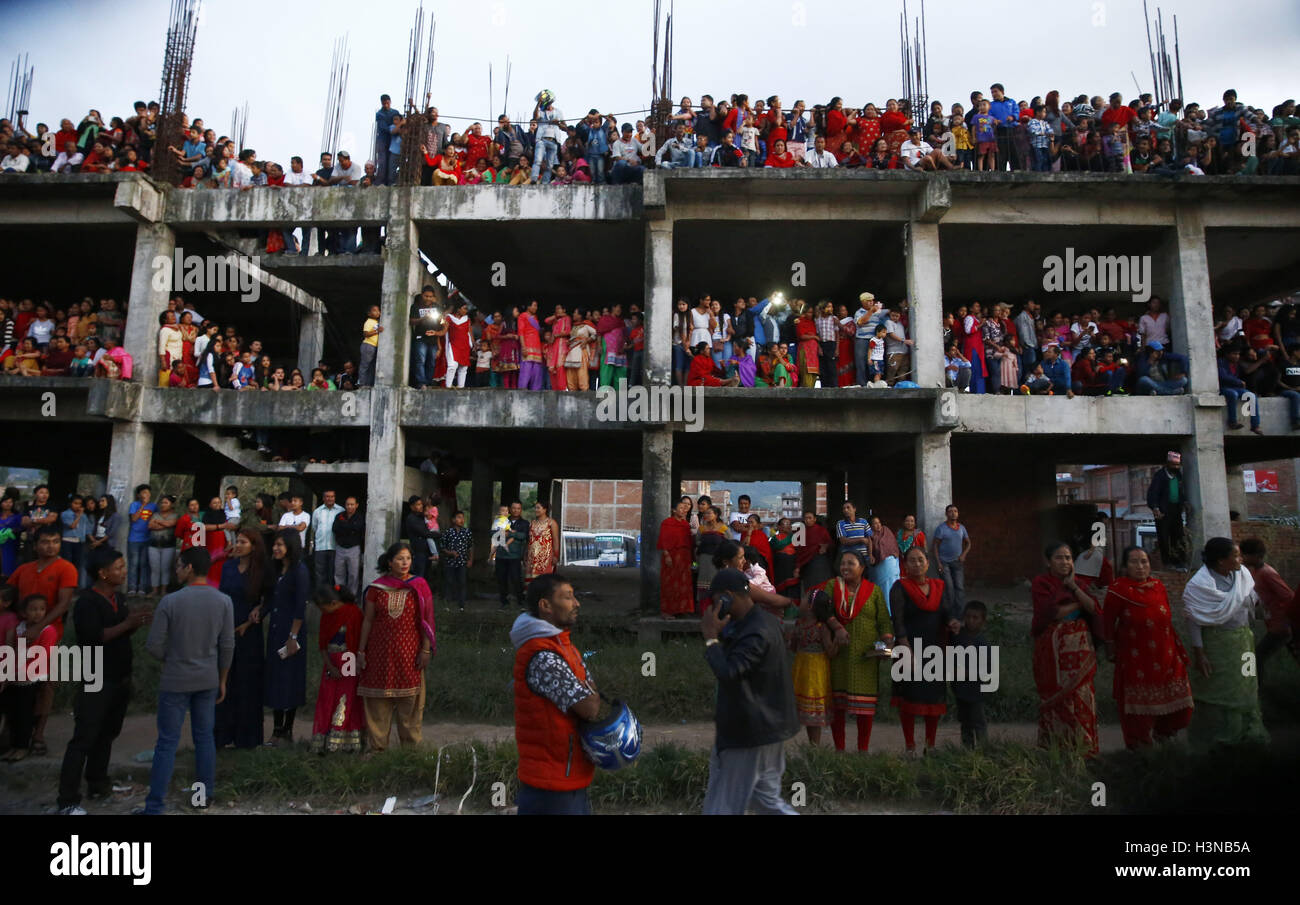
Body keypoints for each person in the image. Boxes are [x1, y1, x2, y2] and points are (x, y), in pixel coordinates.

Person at [139, 547, 234, 814]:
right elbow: (227, 646)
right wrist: (223, 679)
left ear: (189, 568)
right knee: (204, 739)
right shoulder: (223, 601)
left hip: (175, 680)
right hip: (207, 679)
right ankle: (202, 797)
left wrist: (174, 657)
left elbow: (154, 645)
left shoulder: (170, 602)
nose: (176, 569)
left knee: (167, 742)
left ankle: (155, 805)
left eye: (179, 565)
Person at [56, 548, 150, 813]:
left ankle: (98, 784)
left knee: (106, 735)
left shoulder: (118, 598)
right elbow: (92, 637)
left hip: (119, 677)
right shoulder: (87, 602)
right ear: (102, 573)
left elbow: (121, 631)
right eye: (118, 567)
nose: (124, 571)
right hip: (96, 676)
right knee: (83, 738)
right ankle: (67, 801)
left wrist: (135, 623)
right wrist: (127, 624)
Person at [700, 568, 801, 814]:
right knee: (766, 801)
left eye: (716, 601)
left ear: (726, 596)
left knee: (722, 805)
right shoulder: (760, 621)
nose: (714, 607)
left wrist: (711, 638)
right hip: (765, 728)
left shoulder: (755, 631)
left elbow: (730, 673)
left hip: (748, 732)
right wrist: (721, 635)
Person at [510, 573, 597, 814]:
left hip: (563, 774)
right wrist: (589, 690)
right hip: (551, 783)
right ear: (545, 606)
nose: (576, 603)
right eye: (568, 597)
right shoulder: (544, 655)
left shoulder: (559, 645)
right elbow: (589, 708)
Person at [1102, 545, 1194, 749]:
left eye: (1144, 561)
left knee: (1181, 705)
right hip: (1136, 658)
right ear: (1125, 566)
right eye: (1134, 562)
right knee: (1138, 708)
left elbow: (1166, 618)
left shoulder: (1158, 585)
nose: (1140, 566)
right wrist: (1109, 646)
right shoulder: (1118, 590)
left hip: (1167, 653)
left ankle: (1164, 734)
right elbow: (1107, 622)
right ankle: (1140, 747)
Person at [1183, 537, 1269, 749]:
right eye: (1237, 555)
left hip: (1244, 644)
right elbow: (1194, 620)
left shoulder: (1242, 576)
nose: (1241, 559)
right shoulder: (1199, 586)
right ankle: (1215, 740)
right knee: (1217, 691)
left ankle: (1248, 735)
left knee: (1248, 685)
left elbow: (1254, 603)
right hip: (1217, 646)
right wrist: (1200, 654)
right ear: (1222, 561)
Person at [358, 542, 436, 752]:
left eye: (408, 559)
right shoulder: (376, 588)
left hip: (409, 653)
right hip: (379, 653)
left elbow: (427, 620)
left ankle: (410, 751)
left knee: (410, 702)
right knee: (377, 702)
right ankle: (377, 749)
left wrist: (426, 649)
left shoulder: (419, 585)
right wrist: (361, 650)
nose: (404, 563)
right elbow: (368, 620)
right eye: (400, 559)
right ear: (390, 562)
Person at [1031, 541, 1101, 758]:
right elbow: (1051, 612)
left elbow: (1095, 608)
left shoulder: (1078, 583)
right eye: (1059, 558)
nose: (1065, 562)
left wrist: (1074, 588)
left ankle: (1084, 751)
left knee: (1081, 696)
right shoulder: (1042, 583)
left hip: (1080, 653)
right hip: (1052, 653)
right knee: (1056, 699)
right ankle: (1055, 752)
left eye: (1068, 558)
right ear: (1048, 562)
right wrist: (1079, 603)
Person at [819, 551, 893, 752]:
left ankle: (863, 750)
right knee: (838, 707)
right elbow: (823, 612)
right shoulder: (833, 586)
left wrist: (887, 641)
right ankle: (840, 750)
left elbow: (884, 620)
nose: (845, 567)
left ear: (862, 568)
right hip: (838, 654)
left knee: (865, 708)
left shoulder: (874, 591)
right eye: (842, 563)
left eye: (850, 563)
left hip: (865, 656)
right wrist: (836, 629)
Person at [890, 545, 960, 756]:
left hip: (934, 650)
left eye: (921, 560)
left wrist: (953, 622)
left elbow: (946, 612)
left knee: (933, 700)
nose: (917, 564)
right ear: (905, 564)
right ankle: (910, 746)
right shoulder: (899, 587)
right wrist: (906, 650)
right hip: (908, 649)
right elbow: (898, 622)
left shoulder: (939, 586)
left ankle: (931, 745)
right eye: (912, 560)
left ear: (928, 563)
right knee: (909, 700)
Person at [215, 528, 268, 749]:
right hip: (224, 631)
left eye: (243, 542)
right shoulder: (227, 567)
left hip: (248, 633)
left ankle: (247, 738)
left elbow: (270, 599)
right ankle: (221, 735)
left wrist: (258, 612)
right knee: (224, 681)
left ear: (253, 546)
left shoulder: (262, 571)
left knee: (247, 683)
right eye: (237, 541)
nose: (238, 545)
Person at [1, 593, 57, 762]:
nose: (37, 613)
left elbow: (43, 655)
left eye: (41, 609)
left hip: (32, 676)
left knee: (25, 713)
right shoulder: (20, 628)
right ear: (24, 613)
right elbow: (15, 651)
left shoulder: (48, 630)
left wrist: (17, 671)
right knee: (13, 713)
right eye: (33, 609)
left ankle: (22, 747)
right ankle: (14, 746)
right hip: (16, 675)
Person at [789, 588, 849, 744]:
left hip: (815, 674)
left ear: (810, 606)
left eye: (804, 599)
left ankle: (814, 746)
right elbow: (793, 647)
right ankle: (813, 746)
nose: (800, 601)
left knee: (813, 712)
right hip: (802, 671)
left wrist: (837, 642)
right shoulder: (800, 624)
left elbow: (830, 651)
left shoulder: (821, 628)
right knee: (808, 712)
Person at [311, 585, 364, 753]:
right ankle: (323, 739)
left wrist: (357, 662)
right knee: (327, 698)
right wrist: (329, 665)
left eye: (323, 607)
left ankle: (344, 738)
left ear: (333, 603)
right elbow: (322, 645)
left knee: (345, 697)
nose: (322, 611)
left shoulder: (354, 613)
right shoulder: (327, 617)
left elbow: (358, 639)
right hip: (332, 660)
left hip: (349, 658)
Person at [1240, 538, 1298, 666]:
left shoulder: (1267, 573)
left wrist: (1284, 620)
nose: (1242, 558)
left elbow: (1288, 596)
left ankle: (1255, 686)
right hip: (1274, 624)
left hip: (1281, 627)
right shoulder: (1255, 571)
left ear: (1256, 556)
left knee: (1258, 657)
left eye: (1245, 555)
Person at [952, 600, 991, 748]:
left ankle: (984, 750)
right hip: (960, 690)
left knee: (978, 722)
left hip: (976, 691)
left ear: (983, 621)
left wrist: (963, 673)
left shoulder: (982, 643)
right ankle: (967, 751)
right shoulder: (958, 637)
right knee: (965, 723)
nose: (971, 621)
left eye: (975, 618)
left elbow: (985, 670)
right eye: (968, 616)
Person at [1146, 451, 1190, 571]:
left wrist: (1185, 503)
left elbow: (1180, 492)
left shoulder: (1178, 476)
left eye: (1177, 465)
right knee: (1164, 538)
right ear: (1168, 464)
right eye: (1173, 465)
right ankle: (1167, 563)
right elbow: (1153, 493)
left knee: (1178, 536)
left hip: (1176, 511)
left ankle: (1180, 562)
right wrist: (1155, 508)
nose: (1176, 467)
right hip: (1163, 512)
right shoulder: (1160, 476)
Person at [930, 504, 971, 616]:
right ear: (946, 514)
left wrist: (963, 555)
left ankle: (960, 613)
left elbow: (968, 543)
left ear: (958, 514)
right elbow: (935, 546)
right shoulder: (941, 528)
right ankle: (950, 614)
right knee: (949, 588)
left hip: (957, 562)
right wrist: (938, 562)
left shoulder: (961, 528)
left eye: (955, 511)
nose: (953, 513)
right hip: (944, 563)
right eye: (950, 511)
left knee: (959, 587)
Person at [658, 497, 695, 617]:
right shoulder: (667, 522)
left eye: (685, 508)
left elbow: (689, 542)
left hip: (684, 558)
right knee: (669, 583)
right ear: (673, 510)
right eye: (681, 508)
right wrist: (667, 555)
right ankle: (667, 611)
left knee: (684, 583)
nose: (684, 510)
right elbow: (663, 540)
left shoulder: (685, 524)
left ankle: (682, 609)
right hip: (671, 557)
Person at [493, 501, 528, 608]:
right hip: (501, 555)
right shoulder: (500, 520)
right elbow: (493, 534)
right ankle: (504, 602)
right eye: (514, 508)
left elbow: (524, 536)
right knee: (501, 579)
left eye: (518, 508)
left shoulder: (525, 523)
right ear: (510, 509)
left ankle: (520, 601)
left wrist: (511, 533)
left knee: (516, 579)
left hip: (515, 555)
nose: (516, 510)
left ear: (521, 510)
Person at [525, 501, 560, 583]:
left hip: (546, 558)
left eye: (538, 508)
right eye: (535, 508)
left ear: (545, 510)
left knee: (544, 581)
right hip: (532, 557)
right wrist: (525, 554)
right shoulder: (532, 523)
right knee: (531, 580)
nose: (536, 510)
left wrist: (556, 555)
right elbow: (529, 540)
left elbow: (555, 540)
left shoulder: (551, 523)